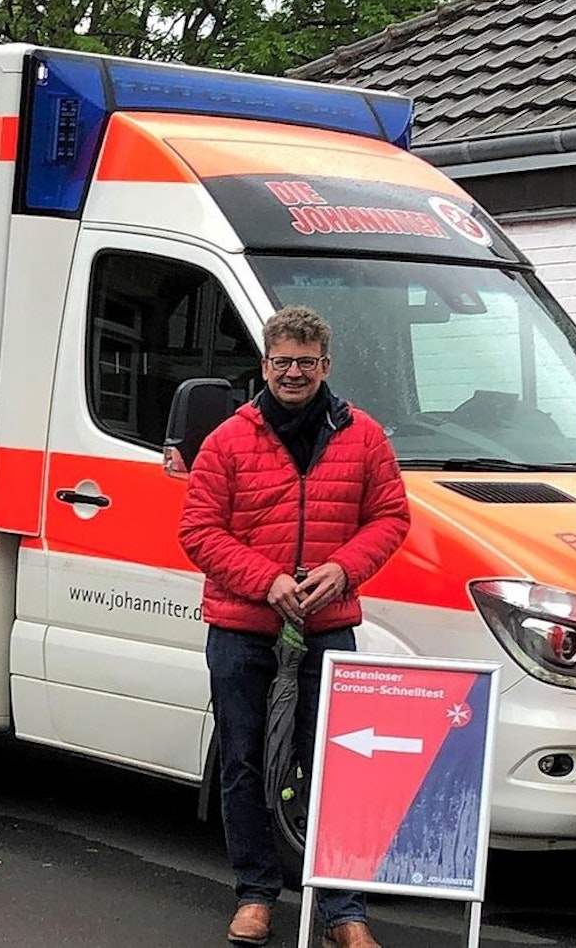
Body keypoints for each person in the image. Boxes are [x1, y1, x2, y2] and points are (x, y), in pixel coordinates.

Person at [180, 306, 409, 948]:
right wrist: (266, 581)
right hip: (241, 627)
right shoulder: (228, 440)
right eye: (282, 361)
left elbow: (390, 517)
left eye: (306, 362)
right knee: (243, 762)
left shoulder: (364, 436)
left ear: (325, 366)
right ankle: (255, 895)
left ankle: (343, 909)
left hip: (327, 626)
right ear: (264, 365)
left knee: (334, 767)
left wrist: (344, 569)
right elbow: (198, 531)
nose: (293, 373)